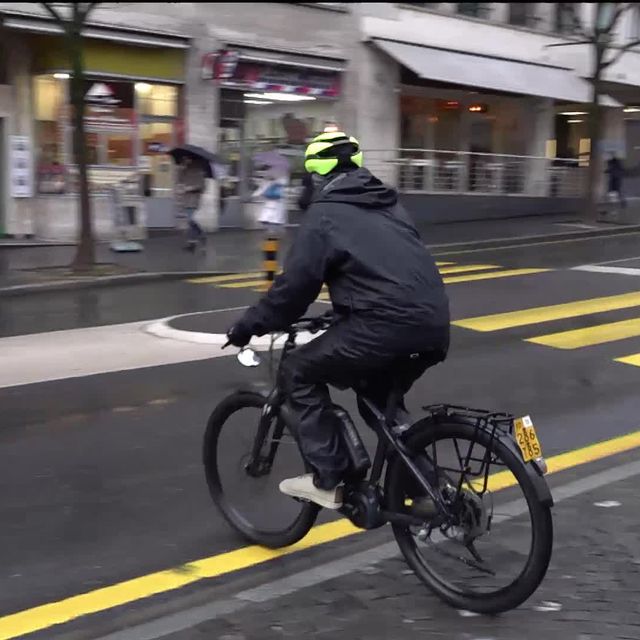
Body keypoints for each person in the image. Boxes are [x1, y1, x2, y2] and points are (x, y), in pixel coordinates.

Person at [226, 132, 450, 510]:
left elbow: (294, 289)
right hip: (433, 325)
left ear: (315, 177)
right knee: (377, 400)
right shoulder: (390, 206)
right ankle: (429, 491)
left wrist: (250, 325)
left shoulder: (324, 214)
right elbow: (386, 273)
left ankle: (330, 477)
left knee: (297, 371)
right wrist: (343, 311)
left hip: (383, 327)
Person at [176, 155, 206, 252]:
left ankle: (200, 236)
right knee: (189, 222)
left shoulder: (199, 171)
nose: (185, 161)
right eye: (184, 160)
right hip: (186, 199)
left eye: (187, 159)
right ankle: (193, 243)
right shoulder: (185, 170)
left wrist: (189, 188)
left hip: (193, 200)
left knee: (190, 220)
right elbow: (179, 181)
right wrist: (180, 169)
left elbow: (202, 187)